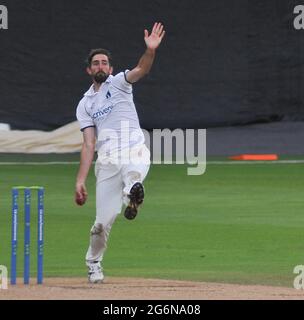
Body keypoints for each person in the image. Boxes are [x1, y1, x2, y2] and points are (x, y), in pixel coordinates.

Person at [75, 22, 165, 283]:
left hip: (134, 149)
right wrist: (80, 180)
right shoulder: (85, 105)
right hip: (107, 162)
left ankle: (132, 195)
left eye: (105, 62)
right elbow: (88, 144)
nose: (101, 66)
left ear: (110, 69)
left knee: (134, 173)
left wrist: (150, 51)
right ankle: (93, 262)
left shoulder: (119, 83)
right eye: (96, 63)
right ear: (89, 70)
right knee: (102, 224)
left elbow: (142, 69)